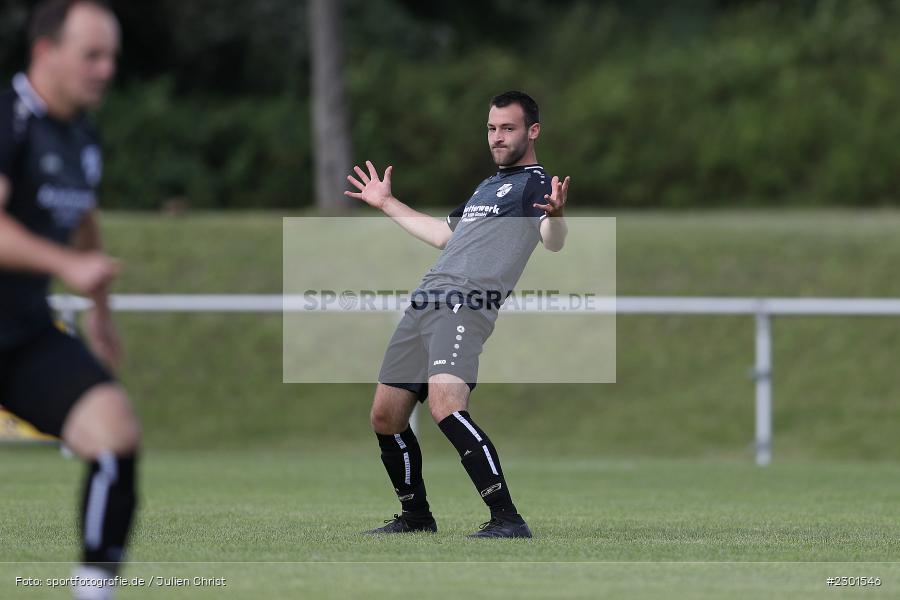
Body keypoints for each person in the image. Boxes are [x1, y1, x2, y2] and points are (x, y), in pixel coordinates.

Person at [345, 90, 569, 538]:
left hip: (465, 305)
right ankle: (416, 518)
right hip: (426, 301)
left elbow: (552, 238)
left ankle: (508, 519)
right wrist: (387, 203)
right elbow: (444, 236)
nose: (497, 137)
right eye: (491, 128)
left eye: (508, 128)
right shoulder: (486, 186)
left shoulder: (537, 184)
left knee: (447, 407)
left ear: (533, 131)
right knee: (385, 416)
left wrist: (558, 216)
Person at [0, 1, 139, 597]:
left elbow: (83, 220)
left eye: (112, 57)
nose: (106, 69)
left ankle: (93, 591)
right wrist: (66, 265)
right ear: (45, 52)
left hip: (23, 328)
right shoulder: (9, 118)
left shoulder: (80, 135)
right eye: (92, 55)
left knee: (114, 434)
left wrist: (100, 311)